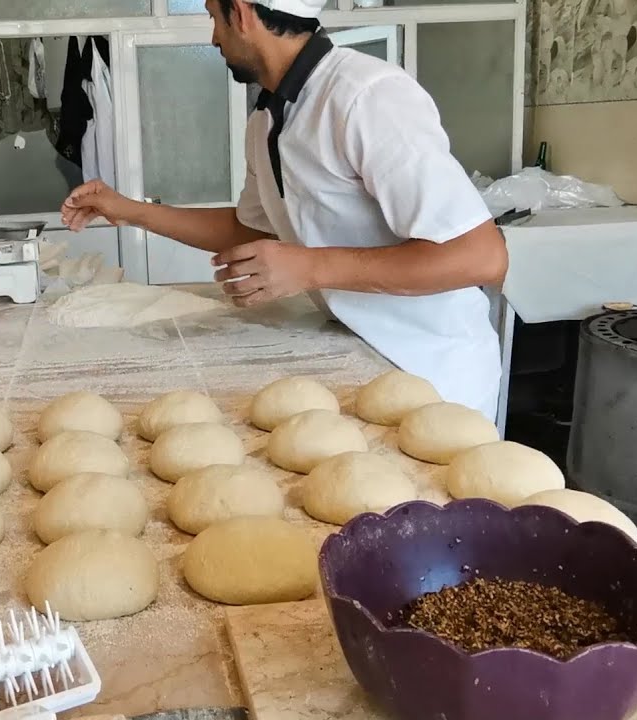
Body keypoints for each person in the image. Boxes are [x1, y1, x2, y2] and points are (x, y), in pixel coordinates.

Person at [60, 0, 508, 420]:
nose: (214, 38)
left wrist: (308, 267)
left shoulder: (366, 97)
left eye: (214, 17)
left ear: (241, 13)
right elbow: (251, 228)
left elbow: (480, 256)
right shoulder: (267, 119)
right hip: (363, 359)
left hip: (433, 374)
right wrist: (128, 210)